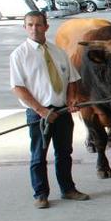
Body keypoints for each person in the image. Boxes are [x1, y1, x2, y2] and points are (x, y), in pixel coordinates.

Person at [10, 11, 89, 209]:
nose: (34, 28)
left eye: (38, 25)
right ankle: (41, 194)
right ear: (25, 27)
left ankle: (68, 189)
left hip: (61, 111)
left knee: (64, 152)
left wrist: (72, 99)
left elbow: (72, 79)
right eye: (30, 25)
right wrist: (41, 110)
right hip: (38, 114)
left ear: (46, 27)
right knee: (39, 155)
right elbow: (18, 87)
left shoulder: (58, 52)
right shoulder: (19, 55)